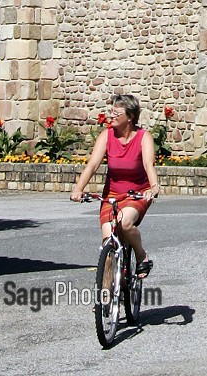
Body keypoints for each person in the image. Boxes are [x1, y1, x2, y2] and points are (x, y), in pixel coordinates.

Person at [71, 92, 159, 278]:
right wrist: (78, 189)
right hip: (111, 194)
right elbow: (93, 165)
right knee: (107, 242)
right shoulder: (106, 135)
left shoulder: (144, 137)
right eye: (111, 112)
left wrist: (153, 187)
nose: (111, 116)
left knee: (124, 224)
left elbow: (148, 164)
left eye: (116, 113)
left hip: (137, 194)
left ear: (130, 117)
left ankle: (141, 255)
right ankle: (105, 297)